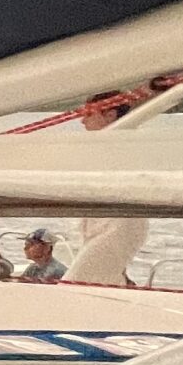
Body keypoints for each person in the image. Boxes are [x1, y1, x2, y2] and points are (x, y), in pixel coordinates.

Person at [65, 95, 150, 286]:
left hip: (118, 224)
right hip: (102, 222)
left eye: (89, 114)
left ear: (110, 115)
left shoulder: (124, 141)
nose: (82, 121)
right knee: (102, 280)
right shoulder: (105, 146)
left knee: (76, 281)